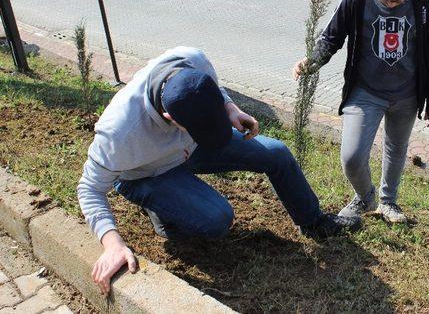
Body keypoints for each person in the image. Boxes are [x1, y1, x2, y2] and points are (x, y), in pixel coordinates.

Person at [78, 46, 360, 295]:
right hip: (148, 172)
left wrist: (230, 109)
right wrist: (112, 244)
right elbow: (89, 189)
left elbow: (214, 90)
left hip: (190, 146)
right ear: (170, 118)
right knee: (217, 219)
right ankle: (162, 211)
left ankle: (312, 221)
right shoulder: (120, 133)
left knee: (276, 153)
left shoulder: (192, 59)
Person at [293, 0, 429, 224]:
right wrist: (312, 61)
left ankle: (388, 201)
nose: (389, 3)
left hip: (407, 93)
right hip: (365, 92)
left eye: (396, 0)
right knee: (351, 156)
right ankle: (364, 196)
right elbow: (332, 36)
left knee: (396, 147)